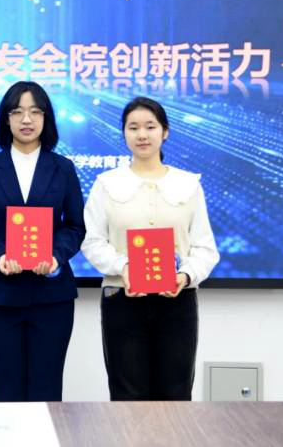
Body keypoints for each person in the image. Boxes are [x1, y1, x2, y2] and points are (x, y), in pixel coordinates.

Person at [81, 96, 219, 401]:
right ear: (124, 133)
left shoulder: (188, 184)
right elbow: (92, 241)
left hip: (177, 300)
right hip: (122, 298)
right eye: (133, 128)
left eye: (150, 126)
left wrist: (184, 275)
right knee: (127, 394)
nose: (142, 135)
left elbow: (205, 248)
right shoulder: (106, 183)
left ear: (164, 132)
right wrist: (124, 267)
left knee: (176, 393)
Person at [0, 81, 85, 402]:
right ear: (6, 119)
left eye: (35, 111)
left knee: (47, 391)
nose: (27, 119)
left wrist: (56, 256)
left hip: (52, 299)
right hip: (0, 297)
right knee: (6, 391)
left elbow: (75, 226)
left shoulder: (63, 169)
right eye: (17, 112)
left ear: (46, 118)